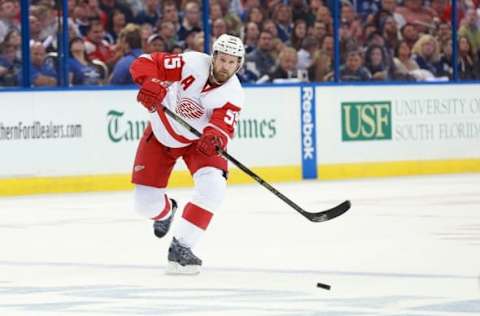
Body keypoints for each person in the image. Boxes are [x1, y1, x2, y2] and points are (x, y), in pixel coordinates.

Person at [129, 34, 245, 274]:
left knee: (214, 187)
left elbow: (223, 126)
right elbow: (143, 62)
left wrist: (215, 138)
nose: (225, 66)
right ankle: (166, 211)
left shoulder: (234, 93)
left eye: (232, 62)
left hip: (199, 143)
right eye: (222, 59)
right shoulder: (191, 62)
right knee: (144, 206)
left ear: (239, 64)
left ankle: (181, 247)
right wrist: (149, 81)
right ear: (213, 57)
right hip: (162, 135)